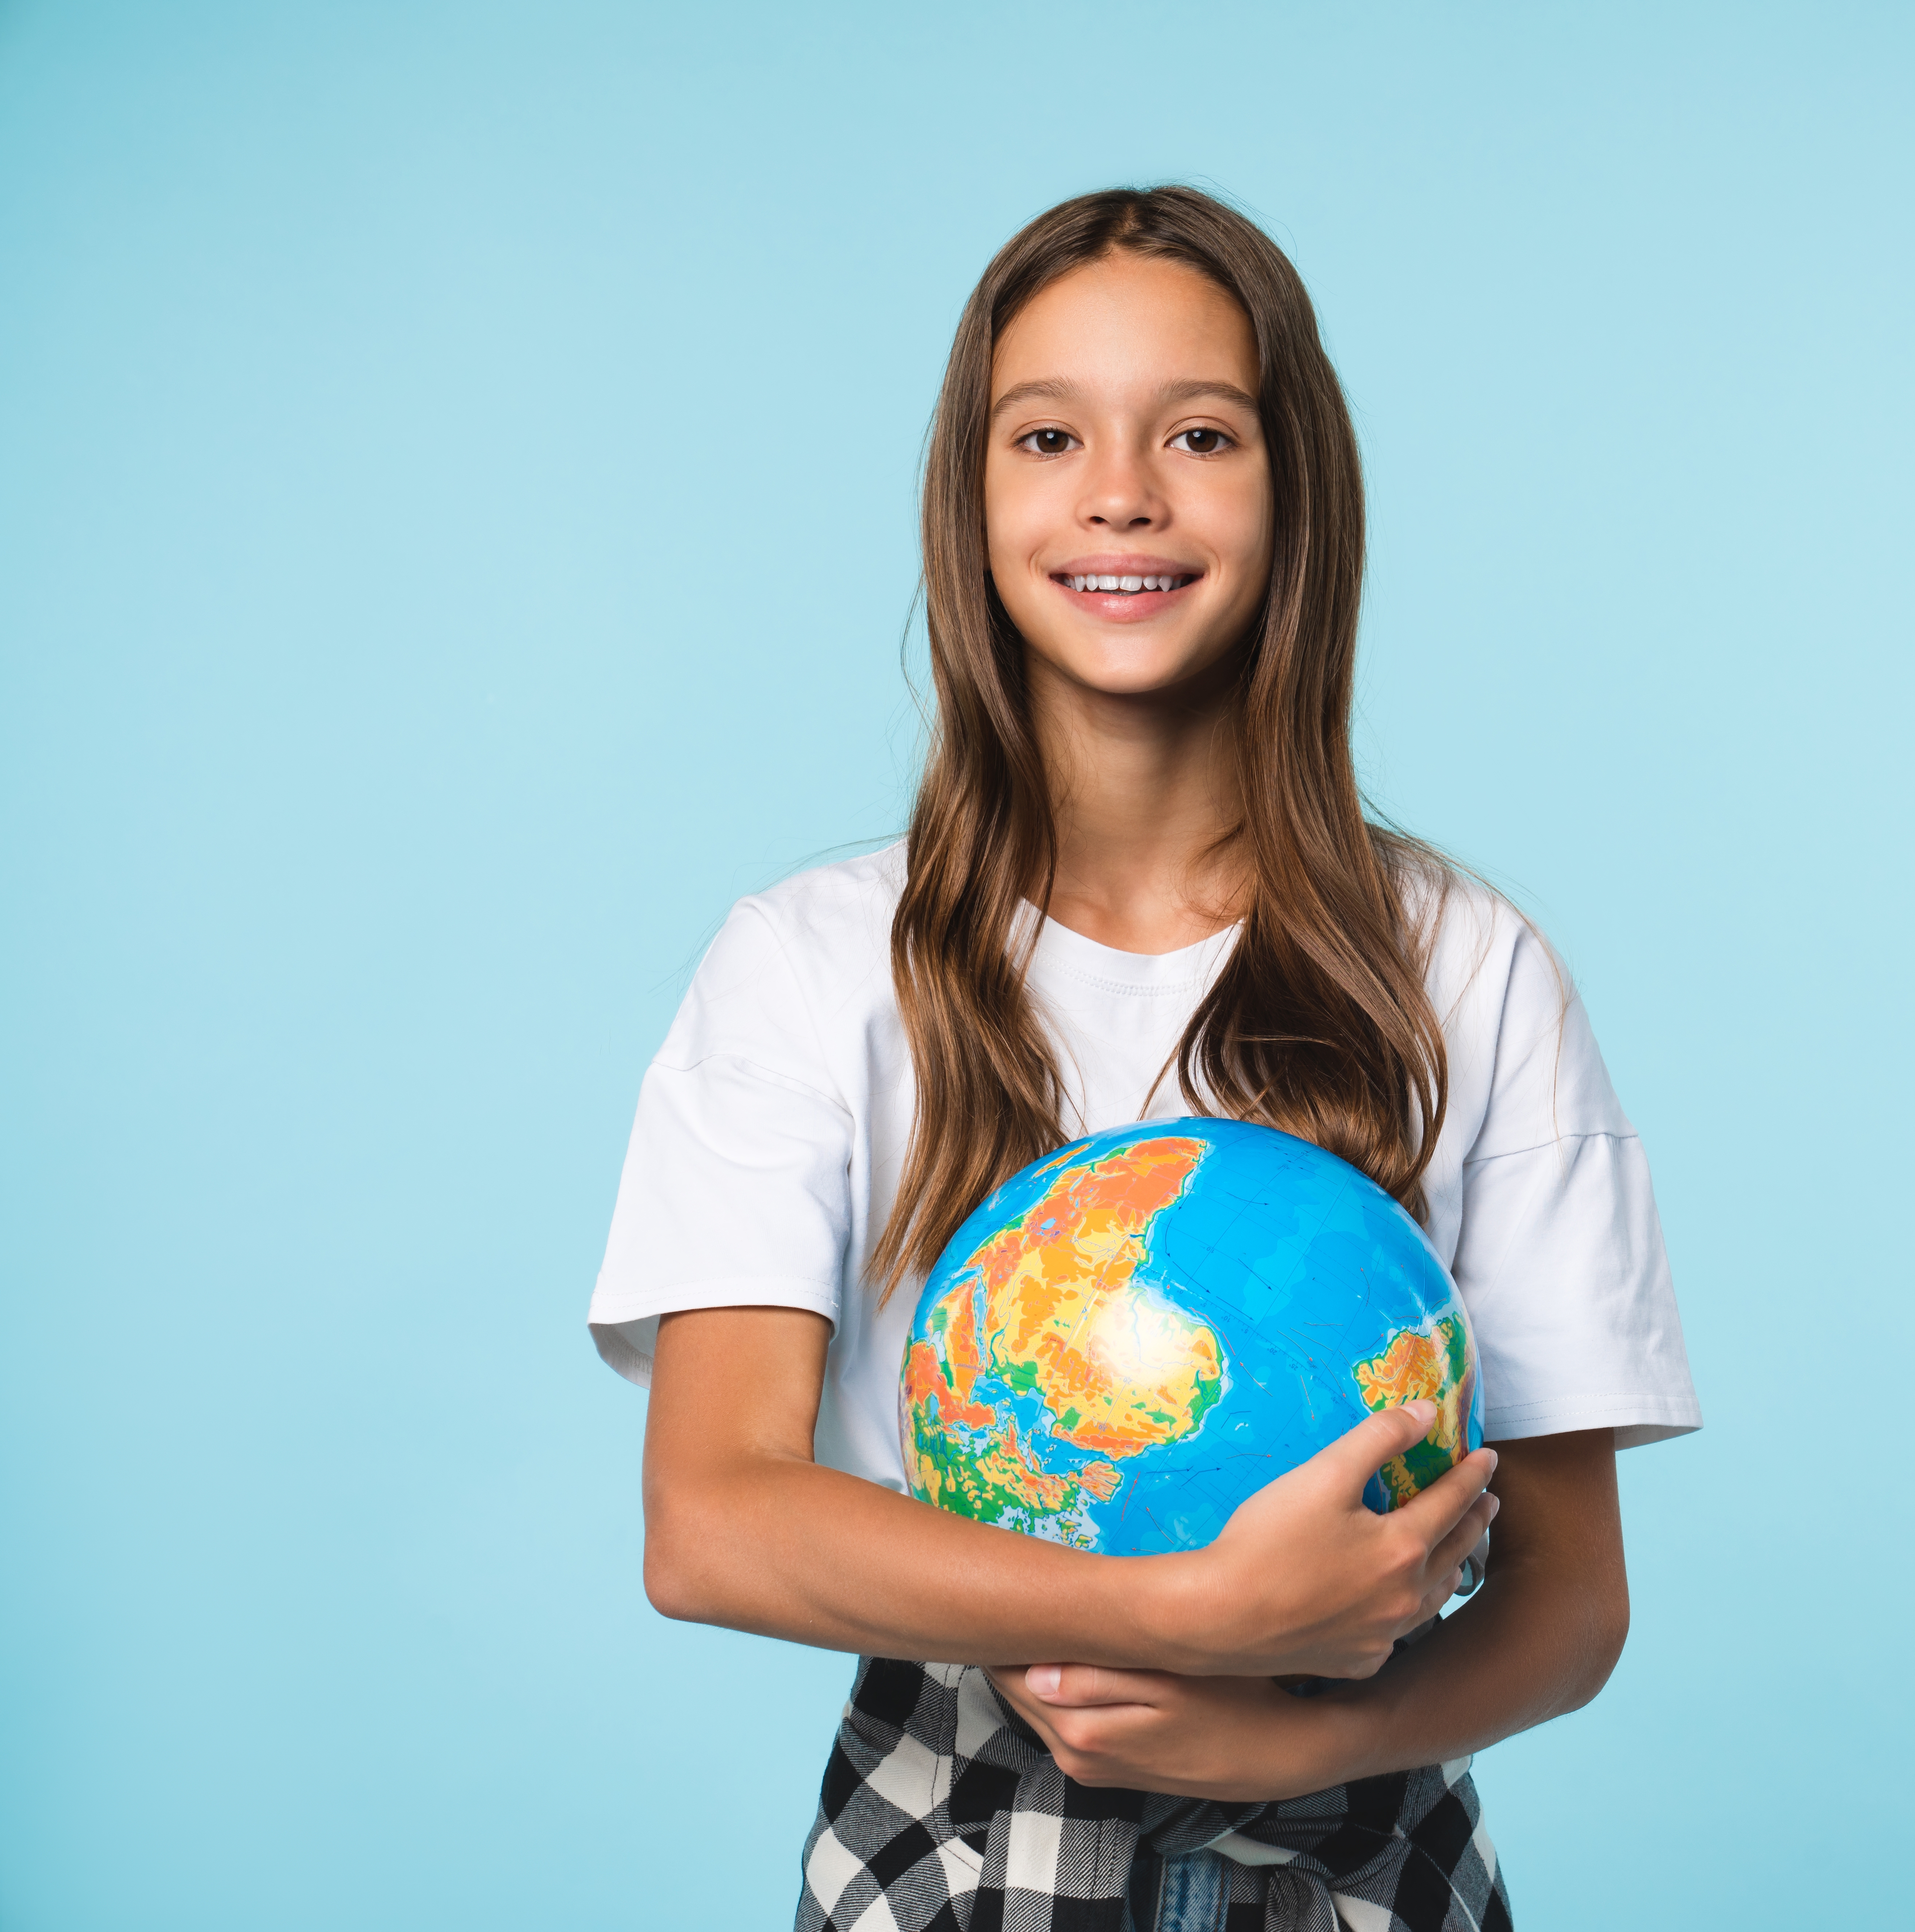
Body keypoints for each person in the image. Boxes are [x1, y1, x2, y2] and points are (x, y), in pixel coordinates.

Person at [587, 184, 1700, 1932]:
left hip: (1360, 1854)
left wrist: (1298, 1743)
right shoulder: (808, 967)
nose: (1121, 492)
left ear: (1295, 496)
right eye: (1047, 436)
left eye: (1198, 432)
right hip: (952, 1851)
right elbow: (711, 1523)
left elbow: (1571, 1606)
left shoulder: (1468, 970)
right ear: (971, 506)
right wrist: (1192, 1619)